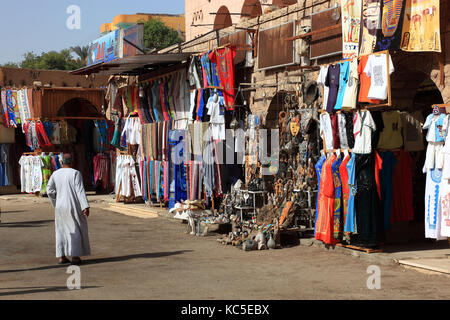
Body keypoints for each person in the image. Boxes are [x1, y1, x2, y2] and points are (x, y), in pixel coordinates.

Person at [46, 153, 90, 265]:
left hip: (60, 206)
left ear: (61, 162)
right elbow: (80, 190)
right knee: (74, 230)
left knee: (61, 231)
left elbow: (49, 190)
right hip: (73, 205)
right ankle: (75, 257)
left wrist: (56, 202)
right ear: (72, 162)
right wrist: (85, 206)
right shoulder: (75, 173)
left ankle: (61, 257)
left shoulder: (55, 174)